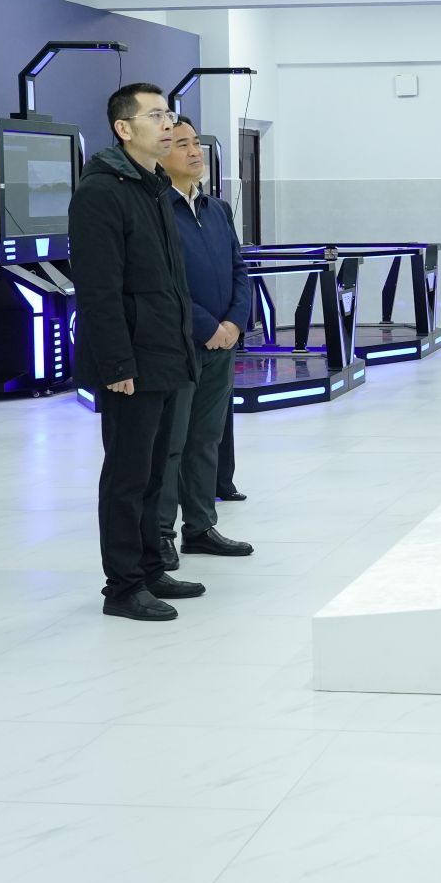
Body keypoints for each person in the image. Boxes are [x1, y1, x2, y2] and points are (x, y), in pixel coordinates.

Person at [70, 83, 205, 621]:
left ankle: (150, 569)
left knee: (154, 474)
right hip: (132, 363)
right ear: (123, 128)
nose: (167, 124)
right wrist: (117, 363)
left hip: (166, 354)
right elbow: (99, 289)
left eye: (168, 114)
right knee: (128, 477)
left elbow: (169, 282)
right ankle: (123, 586)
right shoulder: (101, 192)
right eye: (155, 115)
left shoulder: (152, 185)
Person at [156, 119, 257, 569]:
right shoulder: (156, 210)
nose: (195, 152)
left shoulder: (217, 209)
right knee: (171, 442)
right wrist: (206, 327)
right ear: (160, 155)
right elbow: (165, 282)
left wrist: (234, 322)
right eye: (182, 144)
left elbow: (239, 269)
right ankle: (161, 534)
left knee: (205, 438)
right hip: (179, 345)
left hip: (222, 345)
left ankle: (200, 526)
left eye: (196, 143)